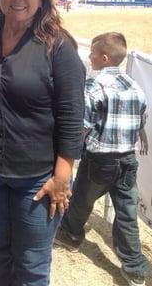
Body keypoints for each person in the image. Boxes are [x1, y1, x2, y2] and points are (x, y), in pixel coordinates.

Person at [0, 0, 86, 286]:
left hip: (38, 178)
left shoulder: (59, 48)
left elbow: (73, 116)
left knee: (31, 265)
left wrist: (62, 176)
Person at [54, 32, 149, 286]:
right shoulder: (134, 85)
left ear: (103, 58)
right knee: (127, 213)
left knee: (82, 200)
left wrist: (68, 152)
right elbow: (141, 120)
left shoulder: (94, 86)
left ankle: (70, 236)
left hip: (100, 159)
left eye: (93, 53)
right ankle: (135, 268)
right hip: (128, 159)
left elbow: (83, 125)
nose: (89, 56)